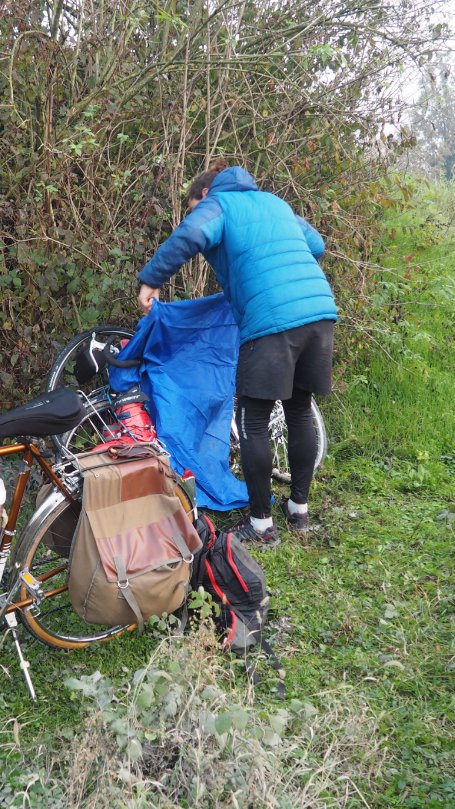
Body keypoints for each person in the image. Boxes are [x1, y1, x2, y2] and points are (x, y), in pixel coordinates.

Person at [136, 162, 337, 544]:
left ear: (206, 196)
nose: (198, 214)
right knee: (298, 410)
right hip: (319, 313)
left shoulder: (220, 204)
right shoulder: (275, 203)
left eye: (195, 207)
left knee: (253, 421)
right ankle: (299, 509)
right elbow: (317, 246)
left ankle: (261, 525)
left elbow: (192, 235)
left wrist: (151, 279)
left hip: (272, 320)